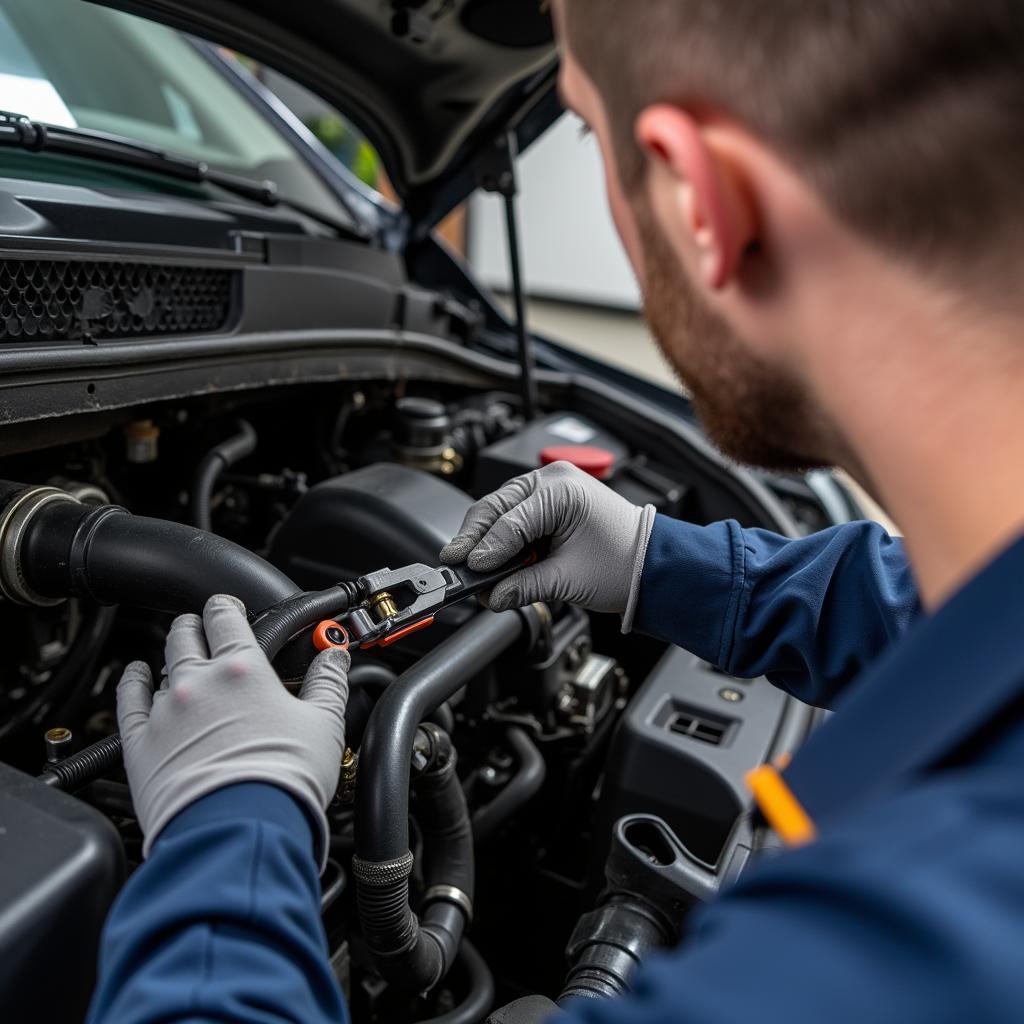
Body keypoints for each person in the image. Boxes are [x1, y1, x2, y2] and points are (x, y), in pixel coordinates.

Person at [88, 0, 1024, 1021]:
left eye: (583, 126)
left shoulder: (906, 953)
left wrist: (232, 831)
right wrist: (656, 562)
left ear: (703, 200)